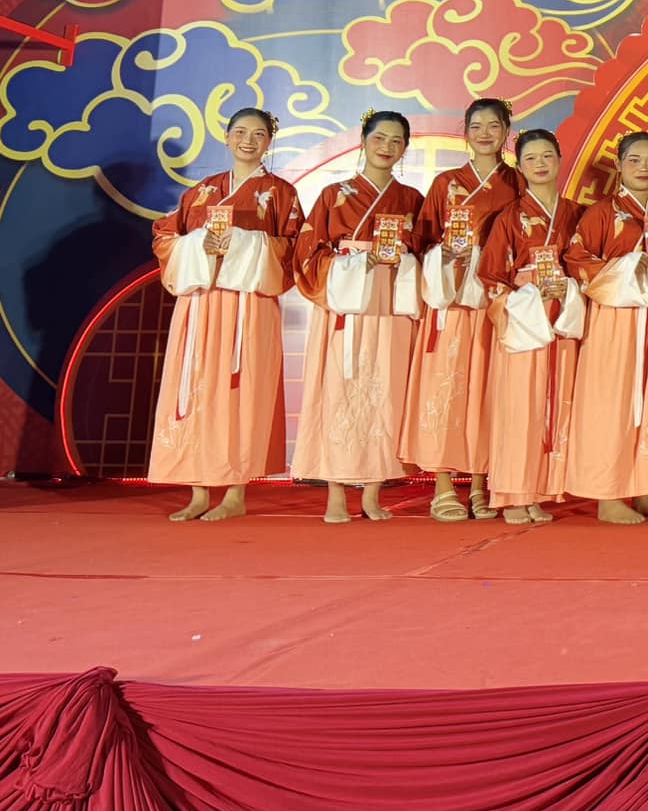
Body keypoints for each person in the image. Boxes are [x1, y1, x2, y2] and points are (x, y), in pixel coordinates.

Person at [147, 106, 303, 521]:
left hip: (250, 305)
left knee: (241, 391)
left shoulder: (281, 193)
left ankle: (235, 492)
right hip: (202, 302)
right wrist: (197, 245)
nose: (248, 141)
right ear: (227, 136)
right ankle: (198, 490)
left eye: (258, 134)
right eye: (240, 132)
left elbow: (293, 249)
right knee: (196, 388)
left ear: (269, 141)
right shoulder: (201, 191)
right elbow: (165, 237)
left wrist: (242, 243)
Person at [292, 110, 425, 523]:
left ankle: (372, 491)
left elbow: (425, 250)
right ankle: (334, 491)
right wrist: (350, 265)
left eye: (396, 141)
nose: (387, 147)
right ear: (363, 141)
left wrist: (403, 258)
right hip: (345, 301)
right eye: (379, 138)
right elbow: (308, 252)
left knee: (385, 389)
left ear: (405, 148)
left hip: (390, 300)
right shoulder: (334, 194)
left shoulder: (411, 199)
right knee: (338, 390)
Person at [402, 96, 520, 521]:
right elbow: (421, 241)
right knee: (446, 388)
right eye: (477, 126)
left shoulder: (519, 182)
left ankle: (484, 482)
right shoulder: (445, 183)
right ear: (465, 132)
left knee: (489, 389)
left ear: (507, 132)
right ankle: (443, 485)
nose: (485, 134)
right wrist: (446, 257)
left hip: (495, 298)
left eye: (494, 126)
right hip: (452, 299)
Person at [562, 131, 648, 524]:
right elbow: (576, 259)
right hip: (617, 314)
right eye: (634, 160)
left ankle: (645, 488)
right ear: (618, 165)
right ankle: (608, 494)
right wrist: (629, 265)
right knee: (611, 398)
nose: (643, 168)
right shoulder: (602, 213)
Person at [477, 129, 584, 525]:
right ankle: (512, 493)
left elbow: (588, 263)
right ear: (519, 166)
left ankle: (538, 489)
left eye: (547, 156)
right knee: (519, 406)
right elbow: (491, 276)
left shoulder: (576, 213)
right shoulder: (509, 217)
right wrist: (527, 296)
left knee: (553, 405)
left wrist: (569, 288)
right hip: (524, 316)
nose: (540, 164)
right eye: (531, 158)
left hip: (563, 312)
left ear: (560, 159)